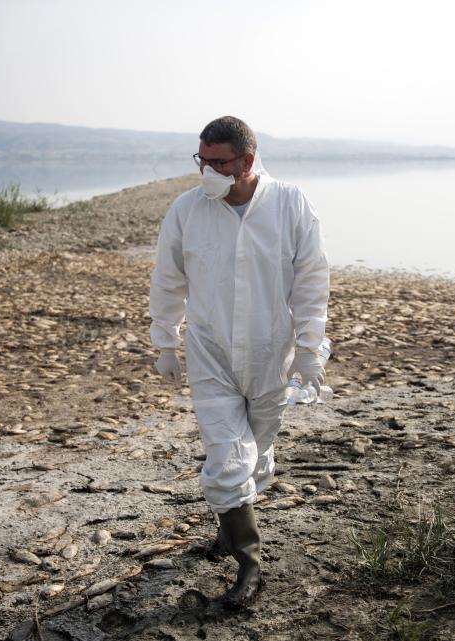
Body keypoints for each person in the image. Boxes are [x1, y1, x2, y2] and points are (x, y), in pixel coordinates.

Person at [149, 116, 330, 608]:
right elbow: (168, 278)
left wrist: (312, 350)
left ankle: (229, 529)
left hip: (273, 354)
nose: (206, 171)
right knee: (227, 457)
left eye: (218, 162)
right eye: (201, 160)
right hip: (211, 354)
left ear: (247, 162)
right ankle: (250, 565)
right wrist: (166, 340)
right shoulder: (188, 210)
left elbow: (311, 281)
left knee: (258, 453)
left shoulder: (290, 204)